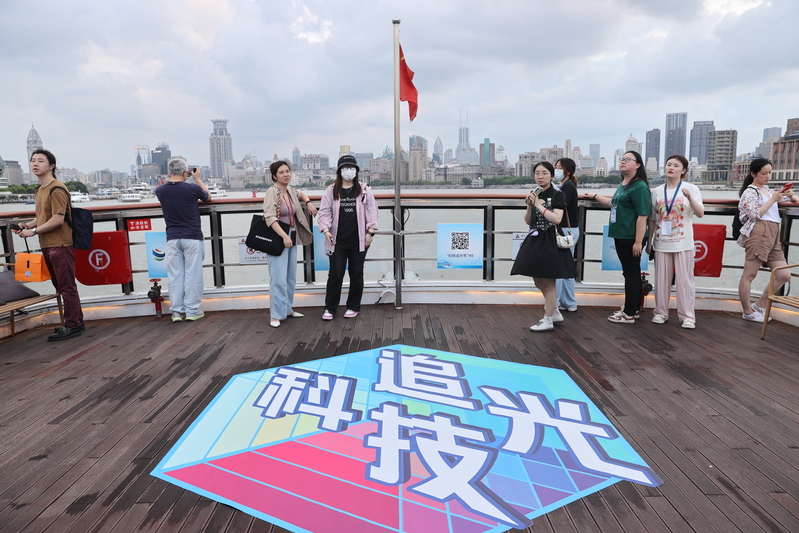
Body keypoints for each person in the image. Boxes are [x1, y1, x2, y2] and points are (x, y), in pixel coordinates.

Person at [16, 149, 84, 341]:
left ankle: (72, 325)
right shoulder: (40, 189)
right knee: (61, 285)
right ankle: (76, 321)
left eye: (40, 161)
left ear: (51, 166)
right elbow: (42, 217)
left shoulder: (57, 189)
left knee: (66, 286)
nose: (35, 164)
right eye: (33, 160)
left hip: (60, 244)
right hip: (47, 244)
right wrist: (26, 226)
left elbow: (57, 220)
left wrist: (34, 231)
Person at [581, 150, 650, 324]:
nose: (623, 162)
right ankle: (631, 308)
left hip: (630, 237)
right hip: (620, 234)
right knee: (629, 273)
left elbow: (643, 216)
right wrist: (595, 196)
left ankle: (629, 313)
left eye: (628, 160)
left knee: (631, 273)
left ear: (638, 165)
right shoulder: (624, 184)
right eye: (622, 159)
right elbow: (614, 202)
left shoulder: (640, 186)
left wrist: (638, 242)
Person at [511, 161, 578, 331]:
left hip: (550, 240)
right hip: (535, 237)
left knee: (549, 283)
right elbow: (528, 220)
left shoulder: (558, 194)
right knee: (538, 279)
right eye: (537, 173)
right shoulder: (535, 192)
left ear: (552, 175)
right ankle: (554, 311)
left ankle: (548, 320)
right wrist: (529, 206)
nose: (540, 176)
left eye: (544, 173)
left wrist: (539, 205)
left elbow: (557, 219)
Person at [736, 158, 799, 322]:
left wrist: (791, 196)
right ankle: (747, 311)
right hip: (759, 231)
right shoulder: (750, 192)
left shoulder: (768, 191)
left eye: (770, 172)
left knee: (784, 274)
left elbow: (796, 202)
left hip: (773, 233)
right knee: (749, 275)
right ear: (753, 174)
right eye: (764, 173)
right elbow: (754, 214)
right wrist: (774, 199)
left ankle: (760, 304)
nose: (768, 176)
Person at [317, 155, 379, 320]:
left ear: (357, 171)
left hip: (359, 239)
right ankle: (330, 308)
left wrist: (370, 233)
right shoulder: (331, 190)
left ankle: (353, 306)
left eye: (352, 168)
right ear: (339, 171)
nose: (348, 171)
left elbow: (372, 212)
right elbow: (324, 212)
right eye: (345, 168)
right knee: (336, 274)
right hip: (336, 240)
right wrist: (326, 230)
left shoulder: (365, 190)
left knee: (356, 273)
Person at [647, 155, 704, 329]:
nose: (671, 167)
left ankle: (687, 316)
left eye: (676, 165)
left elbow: (700, 213)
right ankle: (660, 312)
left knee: (685, 280)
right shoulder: (656, 191)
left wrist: (690, 198)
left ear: (684, 170)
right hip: (662, 241)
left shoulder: (691, 188)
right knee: (661, 279)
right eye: (669, 164)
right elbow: (652, 219)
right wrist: (649, 241)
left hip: (683, 242)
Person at [155, 157, 211, 322]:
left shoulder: (160, 190)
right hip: (192, 236)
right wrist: (198, 179)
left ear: (168, 172)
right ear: (185, 173)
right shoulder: (192, 188)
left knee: (175, 275)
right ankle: (192, 310)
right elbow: (208, 197)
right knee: (193, 275)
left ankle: (176, 312)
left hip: (172, 237)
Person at [263, 160, 317, 328]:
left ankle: (287, 309)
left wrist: (308, 201)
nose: (286, 174)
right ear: (274, 176)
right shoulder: (272, 192)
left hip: (292, 236)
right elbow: (269, 217)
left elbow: (300, 193)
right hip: (279, 237)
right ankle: (275, 314)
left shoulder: (290, 191)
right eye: (281, 172)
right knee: (278, 278)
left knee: (290, 277)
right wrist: (284, 236)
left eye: (288, 171)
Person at [554, 157, 580, 313]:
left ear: (568, 171)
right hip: (570, 230)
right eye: (556, 167)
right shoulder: (566, 186)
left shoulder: (567, 187)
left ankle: (555, 302)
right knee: (567, 267)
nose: (557, 170)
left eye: (559, 167)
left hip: (565, 231)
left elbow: (560, 205)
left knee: (558, 267)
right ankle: (569, 302)